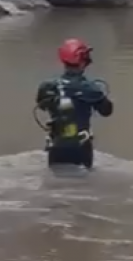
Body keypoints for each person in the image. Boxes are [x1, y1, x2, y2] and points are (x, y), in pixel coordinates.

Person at [36, 38, 114, 169]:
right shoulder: (91, 89)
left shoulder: (47, 86)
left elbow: (42, 105)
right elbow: (106, 111)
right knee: (83, 185)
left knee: (56, 185)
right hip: (81, 148)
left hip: (56, 146)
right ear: (83, 61)